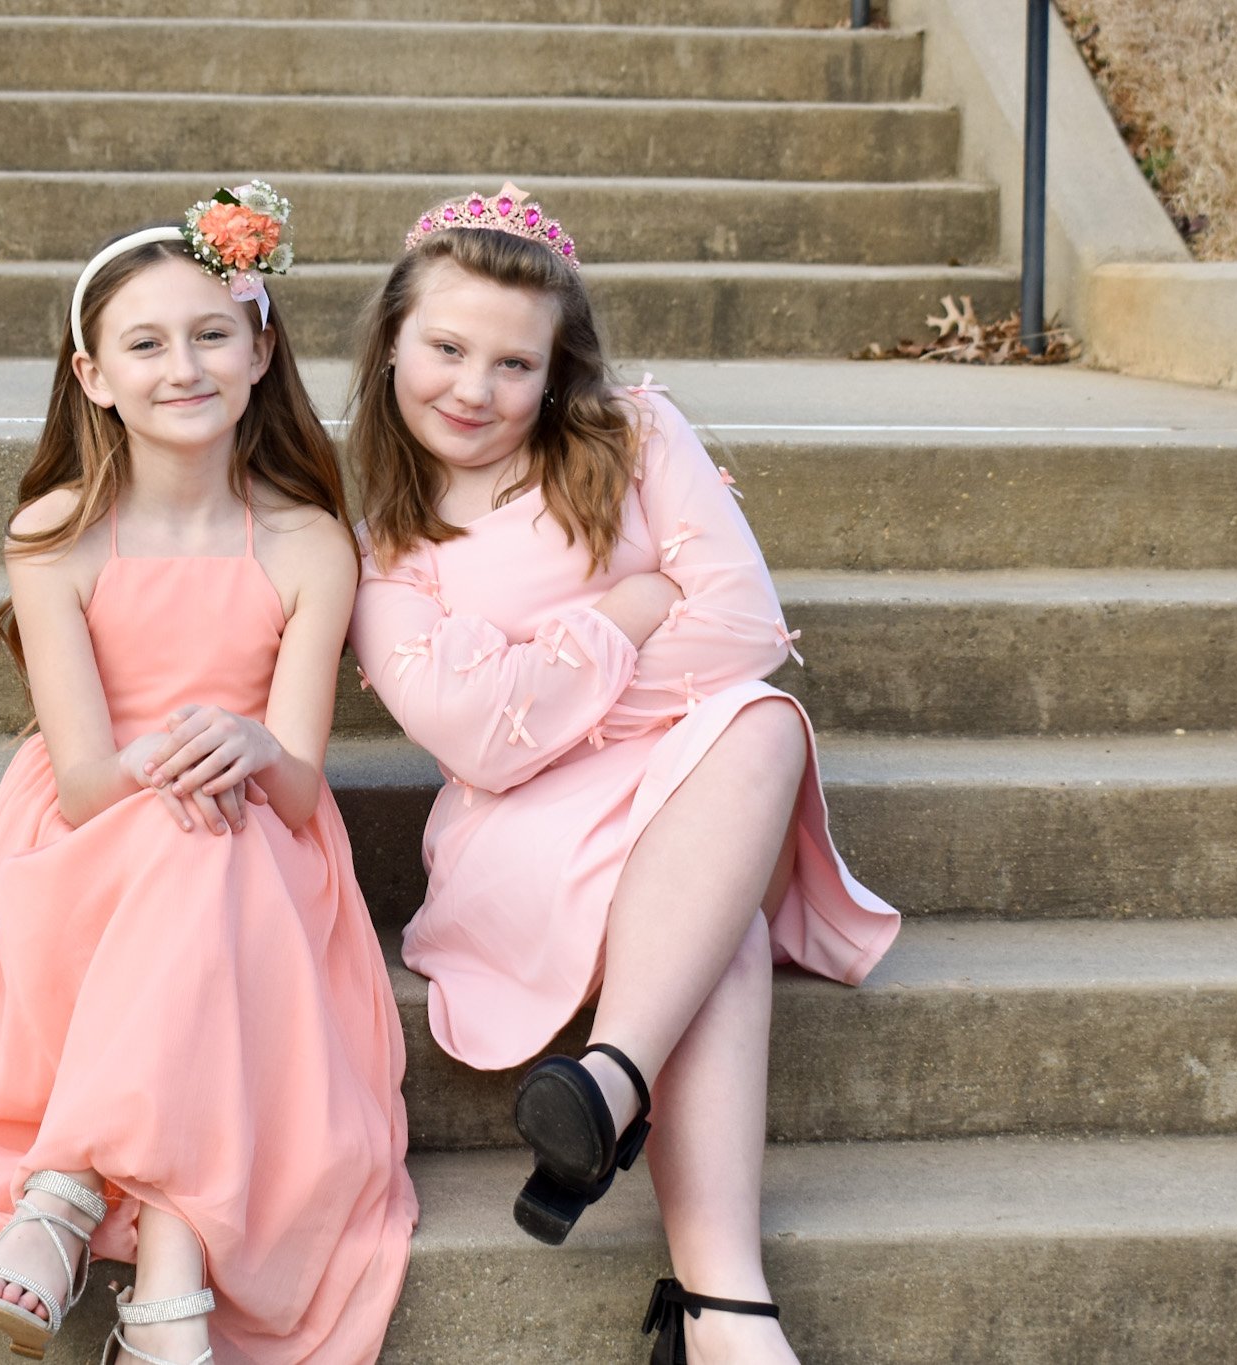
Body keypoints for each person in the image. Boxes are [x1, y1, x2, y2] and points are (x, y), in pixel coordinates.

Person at [345, 184, 900, 1365]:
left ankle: (615, 1093)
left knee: (756, 719)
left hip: (694, 788)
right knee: (723, 924)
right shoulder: (386, 552)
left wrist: (540, 686)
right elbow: (477, 745)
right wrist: (625, 615)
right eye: (444, 348)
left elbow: (744, 631)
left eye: (512, 363)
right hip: (521, 841)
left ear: (555, 373)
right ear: (392, 339)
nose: (472, 388)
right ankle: (721, 1306)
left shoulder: (635, 436)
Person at [0, 183, 417, 1365]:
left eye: (213, 333)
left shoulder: (308, 541)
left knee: (210, 834)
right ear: (92, 374)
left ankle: (62, 1204)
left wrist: (260, 747)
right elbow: (77, 784)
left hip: (259, 844)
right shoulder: (56, 535)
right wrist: (179, 766)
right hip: (85, 847)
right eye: (146, 343)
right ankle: (165, 1291)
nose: (185, 365)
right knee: (180, 830)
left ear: (261, 350)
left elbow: (303, 787)